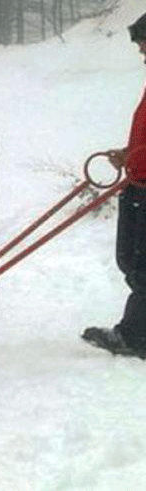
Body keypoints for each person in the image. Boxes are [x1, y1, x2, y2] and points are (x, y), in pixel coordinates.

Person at [82, 14, 146, 357]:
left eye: (142, 42)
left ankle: (135, 337)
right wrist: (127, 154)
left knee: (144, 265)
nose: (140, 49)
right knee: (129, 260)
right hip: (137, 183)